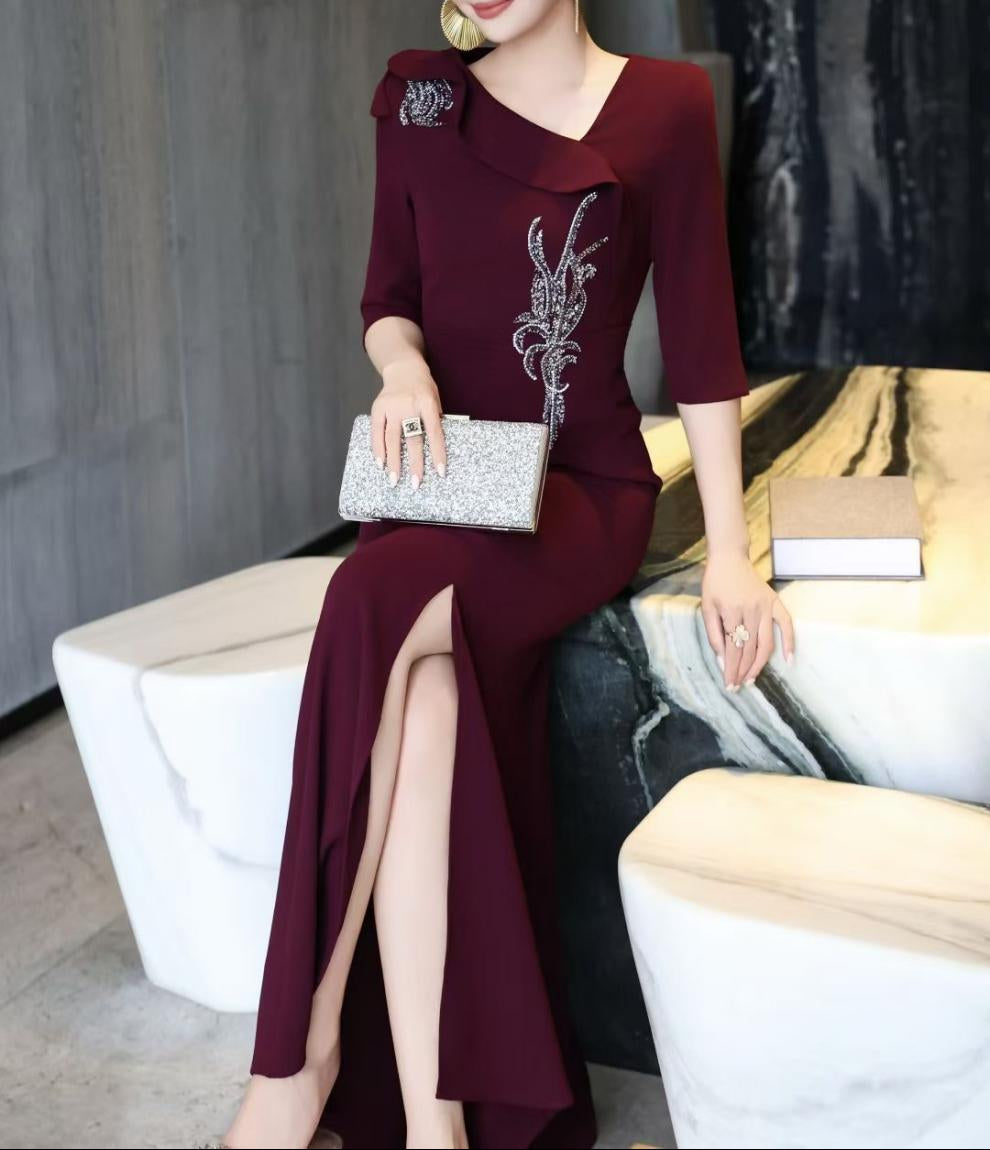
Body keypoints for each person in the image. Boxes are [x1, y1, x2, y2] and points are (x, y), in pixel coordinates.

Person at [205, 2, 795, 1148]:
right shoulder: (423, 95)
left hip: (580, 494)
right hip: (446, 484)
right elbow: (387, 299)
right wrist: (403, 371)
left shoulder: (665, 106)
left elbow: (702, 342)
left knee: (363, 597)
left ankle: (297, 1061)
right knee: (426, 704)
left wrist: (730, 551)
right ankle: (439, 1127)